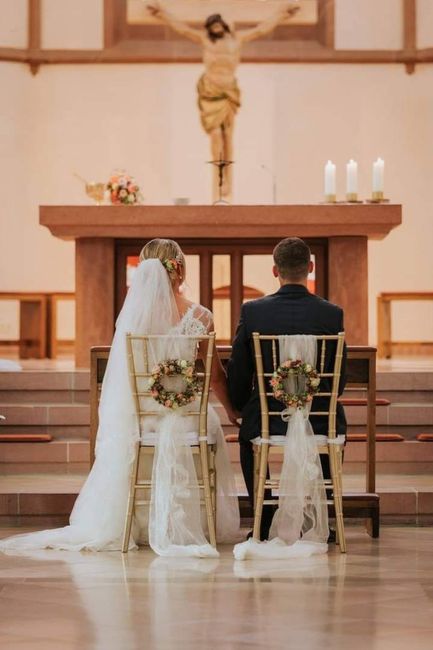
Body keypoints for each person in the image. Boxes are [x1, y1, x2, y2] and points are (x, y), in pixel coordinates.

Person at [0, 239, 239, 556]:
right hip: (184, 416)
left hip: (140, 418)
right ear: (178, 268)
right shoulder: (200, 316)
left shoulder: (132, 319)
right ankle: (194, 520)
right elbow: (215, 376)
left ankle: (135, 521)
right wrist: (233, 409)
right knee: (208, 423)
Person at [228, 237, 347, 541]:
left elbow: (240, 369)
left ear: (274, 270)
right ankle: (319, 517)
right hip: (318, 416)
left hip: (269, 417)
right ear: (310, 267)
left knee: (247, 436)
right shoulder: (332, 314)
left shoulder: (253, 312)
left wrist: (240, 406)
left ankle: (263, 518)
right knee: (334, 418)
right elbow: (340, 381)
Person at [146, 1, 300, 202]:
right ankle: (220, 178)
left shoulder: (237, 39)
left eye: (218, 25)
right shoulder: (205, 40)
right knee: (216, 135)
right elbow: (182, 29)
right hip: (210, 91)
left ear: (223, 26)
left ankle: (226, 177)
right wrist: (162, 15)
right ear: (209, 29)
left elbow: (261, 29)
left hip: (228, 92)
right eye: (212, 27)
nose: (215, 29)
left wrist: (282, 15)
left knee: (228, 136)